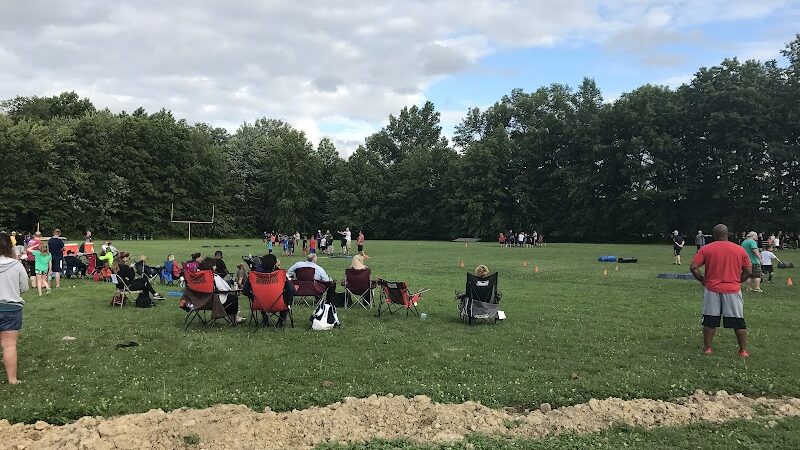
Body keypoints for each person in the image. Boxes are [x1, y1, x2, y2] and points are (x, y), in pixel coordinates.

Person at [690, 224, 752, 358]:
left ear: (714, 234)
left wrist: (702, 279)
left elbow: (693, 267)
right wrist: (738, 281)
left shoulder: (706, 249)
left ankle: (707, 348)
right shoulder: (739, 249)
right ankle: (743, 351)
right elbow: (748, 271)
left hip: (712, 289)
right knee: (738, 321)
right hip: (733, 290)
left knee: (709, 320)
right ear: (728, 234)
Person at [0, 232, 28, 384]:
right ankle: (12, 379)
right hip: (11, 308)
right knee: (9, 345)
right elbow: (24, 287)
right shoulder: (16, 265)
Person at [244, 254, 295, 327]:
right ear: (274, 265)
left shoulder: (254, 275)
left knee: (261, 295)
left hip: (259, 304)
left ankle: (265, 321)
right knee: (286, 295)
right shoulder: (280, 275)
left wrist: (253, 295)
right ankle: (281, 321)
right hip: (279, 304)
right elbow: (291, 289)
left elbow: (245, 291)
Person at [198, 257, 243, 323]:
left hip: (200, 301)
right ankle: (234, 318)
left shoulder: (198, 277)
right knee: (233, 297)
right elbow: (225, 288)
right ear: (211, 266)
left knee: (230, 296)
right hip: (214, 301)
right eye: (214, 265)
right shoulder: (213, 276)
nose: (216, 267)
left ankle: (235, 318)